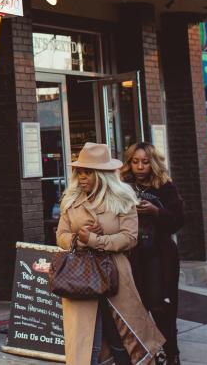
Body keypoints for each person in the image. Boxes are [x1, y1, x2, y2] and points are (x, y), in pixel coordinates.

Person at [56, 142, 165, 365]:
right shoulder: (71, 200)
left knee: (122, 334)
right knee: (85, 341)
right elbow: (61, 236)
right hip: (80, 276)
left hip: (115, 273)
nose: (82, 177)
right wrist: (79, 238)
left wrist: (96, 239)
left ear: (102, 175)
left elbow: (130, 237)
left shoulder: (123, 199)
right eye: (80, 172)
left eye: (88, 172)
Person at [121, 142, 185, 365]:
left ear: (153, 163)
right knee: (137, 306)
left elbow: (178, 220)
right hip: (132, 253)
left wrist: (155, 211)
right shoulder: (123, 186)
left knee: (161, 305)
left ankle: (171, 352)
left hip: (160, 254)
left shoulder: (165, 187)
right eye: (135, 162)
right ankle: (147, 352)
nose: (140, 167)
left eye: (145, 162)